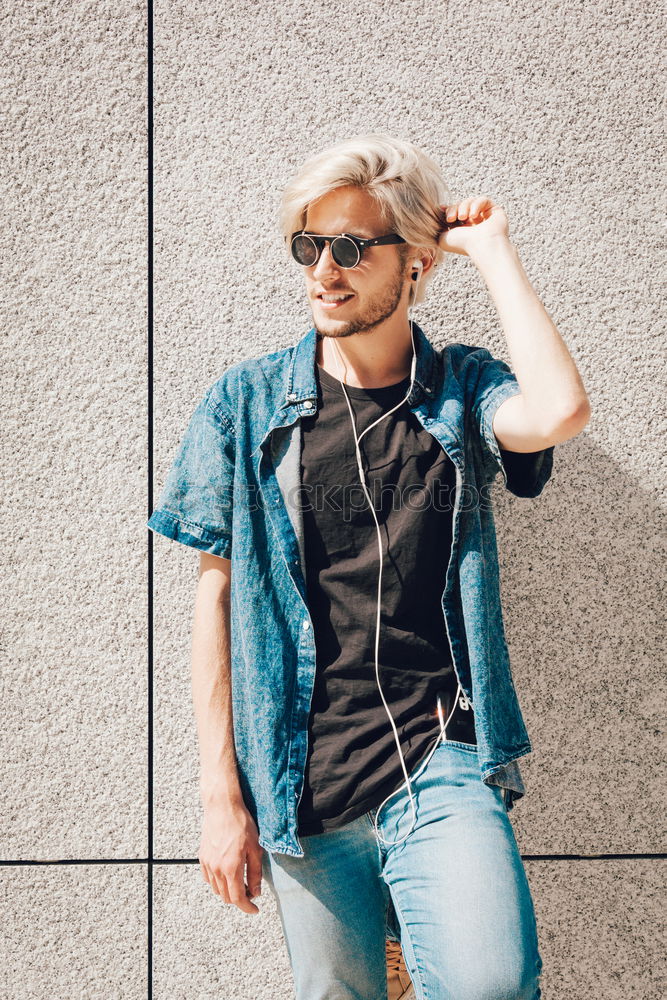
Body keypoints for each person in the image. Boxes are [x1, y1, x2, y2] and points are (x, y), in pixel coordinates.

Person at [147, 133, 591, 1000]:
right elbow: (216, 601)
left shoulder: (461, 387)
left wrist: (493, 251)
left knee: (490, 984)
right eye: (309, 247)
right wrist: (218, 800)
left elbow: (558, 410)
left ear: (415, 263)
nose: (324, 270)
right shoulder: (245, 406)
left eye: (351, 248)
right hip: (300, 778)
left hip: (441, 754)